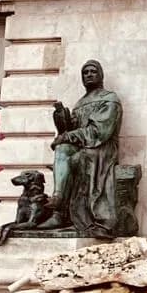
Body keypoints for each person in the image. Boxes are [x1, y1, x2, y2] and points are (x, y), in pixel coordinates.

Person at [42, 60, 123, 239]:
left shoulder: (110, 98)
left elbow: (99, 131)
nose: (88, 74)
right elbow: (73, 131)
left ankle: (77, 214)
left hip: (101, 147)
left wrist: (69, 136)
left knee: (80, 157)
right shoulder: (80, 103)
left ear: (101, 75)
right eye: (85, 72)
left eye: (93, 71)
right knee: (62, 148)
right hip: (83, 144)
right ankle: (58, 204)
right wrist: (62, 121)